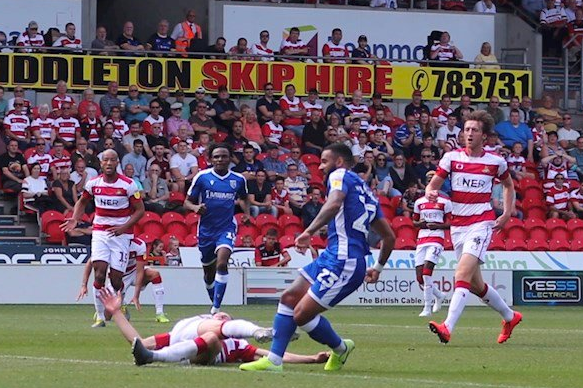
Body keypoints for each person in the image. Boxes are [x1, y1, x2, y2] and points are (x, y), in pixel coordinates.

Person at [240, 143, 397, 373]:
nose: (321, 167)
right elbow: (389, 237)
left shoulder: (339, 175)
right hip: (333, 255)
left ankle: (341, 348)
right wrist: (378, 267)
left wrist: (308, 232)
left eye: (324, 161)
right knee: (288, 297)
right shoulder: (367, 194)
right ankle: (274, 360)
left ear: (339, 162)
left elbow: (334, 204)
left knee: (301, 315)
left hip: (345, 261)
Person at [425, 114, 522, 345]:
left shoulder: (495, 162)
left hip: (481, 223)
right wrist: (430, 192)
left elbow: (508, 185)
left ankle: (447, 327)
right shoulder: (451, 158)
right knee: (476, 285)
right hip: (458, 226)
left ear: (484, 136)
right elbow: (433, 185)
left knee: (461, 275)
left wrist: (506, 213)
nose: (469, 133)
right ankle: (510, 317)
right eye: (466, 129)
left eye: (474, 130)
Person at [106, 291, 329, 368]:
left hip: (203, 353)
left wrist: (312, 359)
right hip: (184, 337)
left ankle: (153, 357)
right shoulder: (189, 326)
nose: (223, 314)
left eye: (227, 317)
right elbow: (138, 343)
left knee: (212, 337)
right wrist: (116, 313)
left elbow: (273, 355)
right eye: (221, 315)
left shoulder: (237, 345)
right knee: (210, 334)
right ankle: (262, 331)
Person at [63, 149, 144, 327]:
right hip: (100, 233)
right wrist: (75, 218)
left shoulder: (128, 184)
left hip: (121, 236)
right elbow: (82, 201)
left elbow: (140, 210)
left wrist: (123, 227)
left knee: (116, 279)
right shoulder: (93, 183)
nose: (109, 163)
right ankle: (100, 316)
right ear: (101, 163)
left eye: (112, 160)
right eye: (105, 160)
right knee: (99, 273)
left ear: (117, 163)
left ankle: (119, 302)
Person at [185, 144, 246, 312]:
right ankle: (213, 298)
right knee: (208, 273)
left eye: (224, 156)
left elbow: (244, 197)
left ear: (230, 158)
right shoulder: (202, 177)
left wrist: (246, 213)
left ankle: (216, 308)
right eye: (216, 157)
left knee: (222, 263)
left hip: (226, 228)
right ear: (211, 159)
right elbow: (187, 202)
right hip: (206, 231)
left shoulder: (238, 179)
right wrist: (195, 208)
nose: (220, 159)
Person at [77, 236, 167, 323]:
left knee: (155, 274)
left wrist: (136, 296)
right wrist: (84, 285)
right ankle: (114, 306)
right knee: (108, 317)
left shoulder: (139, 245)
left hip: (133, 272)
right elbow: (90, 263)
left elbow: (140, 271)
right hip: (117, 277)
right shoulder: (110, 243)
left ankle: (160, 313)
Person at [413, 172, 451, 317]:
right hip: (422, 239)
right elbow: (414, 221)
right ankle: (439, 295)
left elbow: (450, 223)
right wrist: (420, 224)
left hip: (436, 239)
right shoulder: (419, 202)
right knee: (419, 277)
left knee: (427, 272)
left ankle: (427, 308)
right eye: (428, 179)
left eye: (433, 179)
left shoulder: (445, 202)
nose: (431, 181)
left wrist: (437, 226)